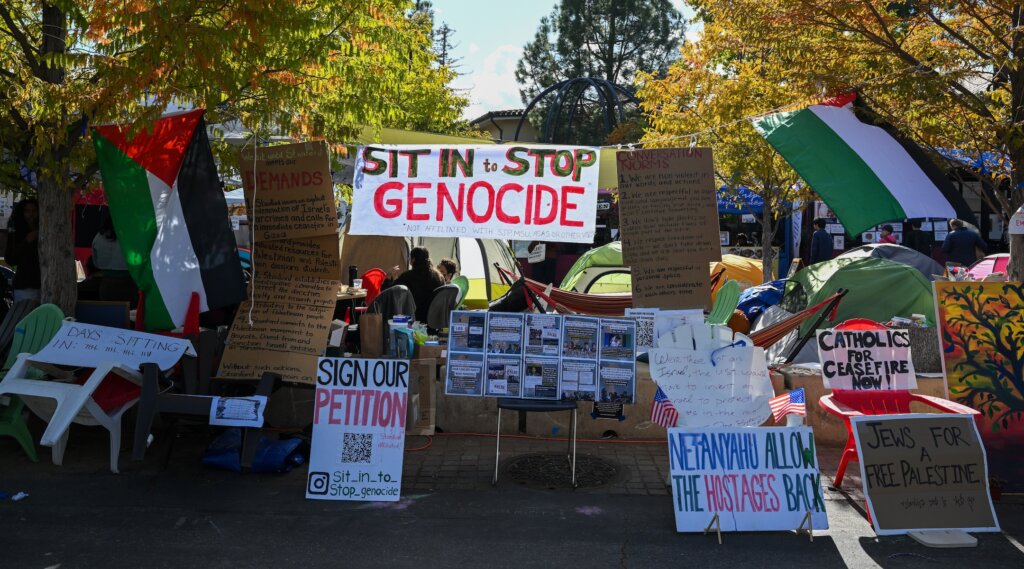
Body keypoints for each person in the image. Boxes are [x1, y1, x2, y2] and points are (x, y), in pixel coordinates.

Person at [91, 214, 138, 306]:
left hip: (106, 285)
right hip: (128, 284)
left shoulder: (99, 237)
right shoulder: (132, 235)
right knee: (130, 317)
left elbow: (95, 262)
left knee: (110, 316)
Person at [389, 246, 444, 322]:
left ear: (413, 260)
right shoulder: (439, 277)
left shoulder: (407, 276)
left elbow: (392, 291)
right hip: (434, 319)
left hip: (414, 318)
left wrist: (393, 277)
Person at [5, 198, 41, 302]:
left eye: (34, 211)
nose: (31, 215)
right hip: (26, 286)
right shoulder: (16, 232)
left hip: (45, 284)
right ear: (22, 213)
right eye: (27, 211)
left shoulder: (43, 229)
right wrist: (26, 241)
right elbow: (10, 259)